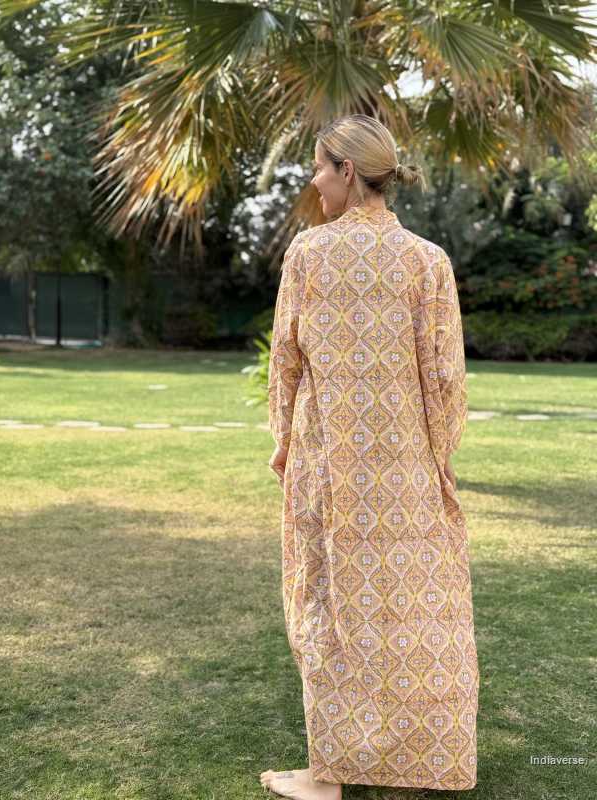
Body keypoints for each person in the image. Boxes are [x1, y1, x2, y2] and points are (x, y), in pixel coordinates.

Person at [262, 114, 479, 800]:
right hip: (406, 469)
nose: (314, 181)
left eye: (319, 168)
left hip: (329, 464)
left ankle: (329, 774)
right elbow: (443, 375)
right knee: (410, 610)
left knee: (328, 606)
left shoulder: (309, 254)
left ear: (347, 171)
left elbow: (286, 361)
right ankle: (425, 758)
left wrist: (284, 442)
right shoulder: (427, 260)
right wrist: (440, 454)